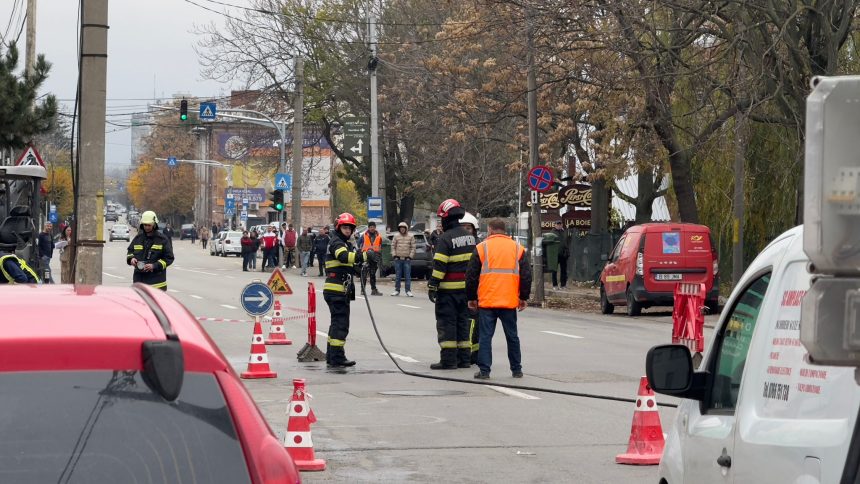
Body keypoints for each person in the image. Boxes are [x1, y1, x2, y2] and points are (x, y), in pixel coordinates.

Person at [466, 218, 531, 379]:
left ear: (490, 230)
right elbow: (526, 275)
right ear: (504, 230)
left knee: (485, 337)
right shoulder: (518, 248)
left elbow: (471, 275)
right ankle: (516, 369)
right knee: (512, 336)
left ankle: (484, 371)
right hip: (509, 301)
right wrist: (523, 297)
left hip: (487, 301)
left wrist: (471, 297)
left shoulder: (482, 248)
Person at [428, 199, 476, 370]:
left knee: (447, 324)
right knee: (463, 323)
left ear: (446, 219)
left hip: (448, 292)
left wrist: (433, 285)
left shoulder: (445, 238)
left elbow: (440, 266)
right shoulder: (470, 237)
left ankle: (448, 360)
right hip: (466, 291)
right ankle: (464, 359)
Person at [323, 212, 363, 367]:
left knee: (336, 323)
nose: (347, 230)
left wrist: (358, 268)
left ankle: (331, 356)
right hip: (337, 289)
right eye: (345, 227)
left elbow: (346, 264)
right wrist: (364, 256)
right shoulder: (337, 242)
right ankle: (337, 358)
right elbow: (344, 257)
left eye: (350, 228)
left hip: (339, 289)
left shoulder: (344, 242)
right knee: (341, 324)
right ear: (339, 227)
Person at [126, 211, 174, 291]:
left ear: (154, 224)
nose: (147, 227)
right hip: (139, 282)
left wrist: (154, 266)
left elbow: (169, 258)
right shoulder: (138, 238)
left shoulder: (162, 240)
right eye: (145, 225)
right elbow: (130, 251)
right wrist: (131, 259)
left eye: (149, 225)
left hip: (157, 284)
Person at [459, 212, 481, 363]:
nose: (465, 231)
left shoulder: (479, 246)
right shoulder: (455, 244)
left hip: (474, 289)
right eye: (463, 227)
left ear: (474, 229)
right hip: (457, 289)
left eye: (468, 228)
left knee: (473, 321)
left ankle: (473, 353)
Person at [390, 222, 415, 297]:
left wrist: (410, 256)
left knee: (407, 276)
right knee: (398, 276)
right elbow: (393, 246)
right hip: (398, 259)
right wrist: (394, 255)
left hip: (407, 259)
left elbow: (413, 247)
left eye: (403, 228)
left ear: (406, 229)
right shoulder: (396, 236)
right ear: (399, 229)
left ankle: (408, 291)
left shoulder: (411, 236)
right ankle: (397, 290)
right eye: (401, 228)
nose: (402, 229)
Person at [361, 221, 383, 296]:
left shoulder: (379, 236)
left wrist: (379, 257)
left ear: (375, 227)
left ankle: (373, 290)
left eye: (373, 227)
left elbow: (380, 247)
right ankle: (362, 290)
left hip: (374, 257)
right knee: (364, 274)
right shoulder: (364, 236)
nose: (372, 228)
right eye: (370, 227)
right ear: (368, 228)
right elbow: (359, 245)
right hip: (366, 257)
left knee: (372, 274)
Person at [551, 220, 569, 289]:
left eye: (560, 224)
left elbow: (566, 242)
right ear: (555, 225)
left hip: (563, 254)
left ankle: (563, 285)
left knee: (563, 270)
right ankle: (555, 285)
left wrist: (567, 251)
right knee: (554, 270)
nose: (559, 225)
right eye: (557, 224)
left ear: (562, 225)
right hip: (554, 254)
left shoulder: (563, 232)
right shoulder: (552, 233)